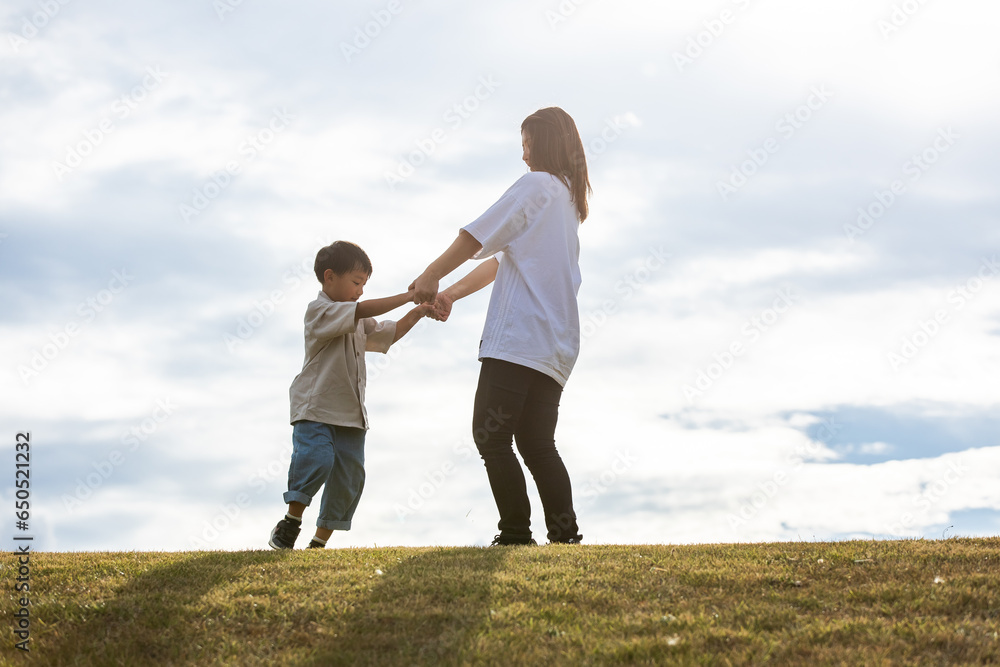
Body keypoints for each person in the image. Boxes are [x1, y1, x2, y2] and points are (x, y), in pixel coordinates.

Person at [411, 106, 591, 546]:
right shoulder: (566, 203)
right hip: (555, 344)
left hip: (520, 339)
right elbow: (502, 260)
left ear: (543, 144)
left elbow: (478, 235)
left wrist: (432, 273)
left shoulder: (537, 186)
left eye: (527, 145)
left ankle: (514, 534)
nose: (524, 157)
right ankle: (565, 538)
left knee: (490, 436)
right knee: (536, 443)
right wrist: (451, 293)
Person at [269, 240, 433, 549]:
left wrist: (420, 311)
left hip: (352, 413)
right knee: (316, 458)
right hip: (316, 406)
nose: (360, 290)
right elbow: (362, 310)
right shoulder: (319, 310)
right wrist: (409, 296)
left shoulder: (356, 317)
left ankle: (318, 543)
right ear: (329, 277)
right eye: (356, 282)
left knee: (349, 478)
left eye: (364, 285)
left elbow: (389, 332)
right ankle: (290, 524)